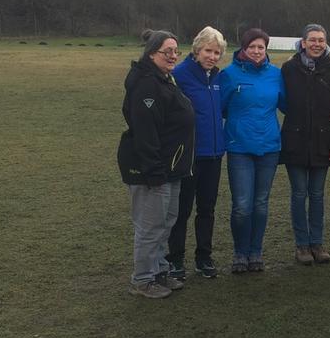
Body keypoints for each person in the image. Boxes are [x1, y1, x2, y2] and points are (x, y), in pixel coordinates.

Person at [117, 29, 195, 299]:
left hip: (171, 167)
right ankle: (142, 279)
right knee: (150, 226)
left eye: (176, 51)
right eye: (167, 51)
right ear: (152, 54)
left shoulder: (164, 79)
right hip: (152, 170)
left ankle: (159, 270)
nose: (173, 56)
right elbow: (146, 132)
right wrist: (153, 171)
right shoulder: (146, 85)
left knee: (166, 222)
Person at [280, 24, 330, 266]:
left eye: (321, 40)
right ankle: (302, 246)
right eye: (312, 40)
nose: (317, 44)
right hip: (295, 141)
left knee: (317, 195)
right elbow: (282, 102)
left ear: (326, 43)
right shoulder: (289, 69)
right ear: (304, 42)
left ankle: (317, 243)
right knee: (299, 194)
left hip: (323, 143)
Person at [219, 28, 286, 273]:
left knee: (260, 204)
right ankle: (240, 253)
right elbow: (221, 108)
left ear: (266, 49)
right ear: (244, 49)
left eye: (261, 47)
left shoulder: (276, 75)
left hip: (269, 147)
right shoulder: (229, 75)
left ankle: (255, 252)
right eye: (252, 47)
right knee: (242, 205)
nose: (257, 51)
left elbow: (288, 104)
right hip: (239, 148)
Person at [165, 26, 226, 280]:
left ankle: (204, 256)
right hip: (188, 156)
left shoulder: (218, 78)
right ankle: (175, 259)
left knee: (207, 209)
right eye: (208, 51)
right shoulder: (179, 75)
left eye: (217, 52)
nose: (212, 56)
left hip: (214, 155)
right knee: (182, 210)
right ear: (196, 50)